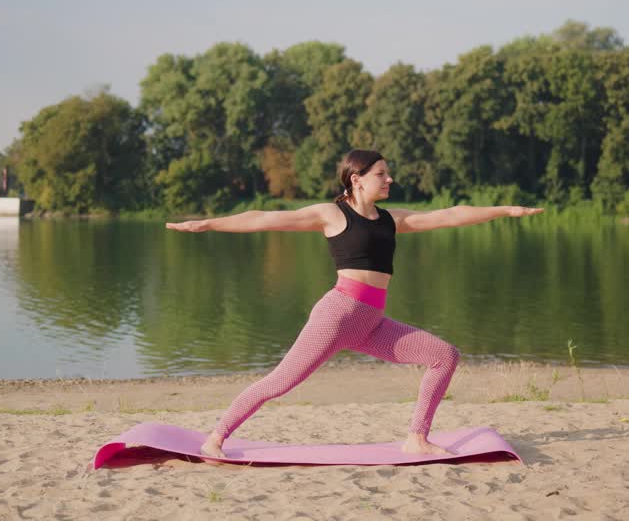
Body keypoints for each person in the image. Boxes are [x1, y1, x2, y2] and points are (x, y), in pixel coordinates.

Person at [165, 149, 543, 457]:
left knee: (444, 355)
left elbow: (449, 215)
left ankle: (416, 438)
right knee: (279, 382)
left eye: (388, 173)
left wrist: (505, 211)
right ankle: (215, 438)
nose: (390, 179)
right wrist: (208, 224)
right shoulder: (332, 214)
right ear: (357, 179)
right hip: (337, 314)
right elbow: (265, 217)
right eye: (382, 174)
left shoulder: (390, 219)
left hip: (372, 321)